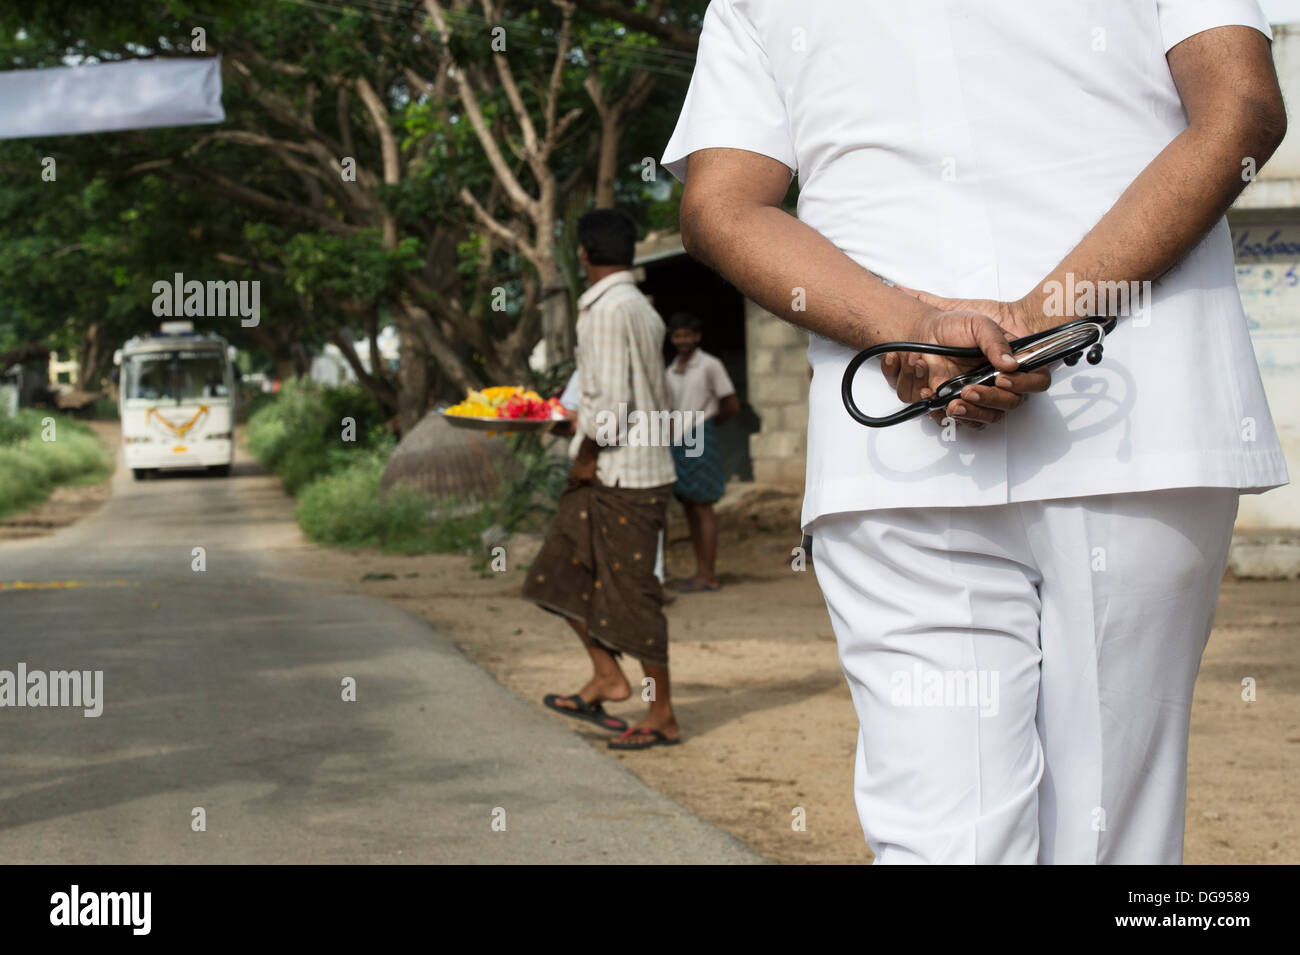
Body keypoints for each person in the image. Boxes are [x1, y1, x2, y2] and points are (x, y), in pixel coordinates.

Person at [663, 1, 1288, 862]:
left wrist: (908, 325)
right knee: (1113, 838)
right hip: (1135, 411)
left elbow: (721, 203)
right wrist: (1038, 322)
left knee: (942, 841)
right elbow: (1241, 111)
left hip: (898, 443)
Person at [523, 208, 682, 749]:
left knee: (634, 594)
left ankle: (660, 714)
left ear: (584, 254)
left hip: (622, 474)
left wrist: (586, 454)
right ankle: (607, 677)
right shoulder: (638, 306)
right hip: (611, 468)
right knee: (558, 572)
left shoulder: (608, 311)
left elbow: (612, 410)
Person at [663, 311, 740, 592]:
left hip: (699, 436)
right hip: (676, 439)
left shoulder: (710, 365)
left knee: (703, 504)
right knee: (688, 504)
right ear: (672, 338)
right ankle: (700, 572)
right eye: (677, 335)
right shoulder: (669, 370)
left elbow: (730, 403)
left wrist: (706, 425)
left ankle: (708, 575)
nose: (682, 340)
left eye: (687, 334)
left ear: (697, 336)